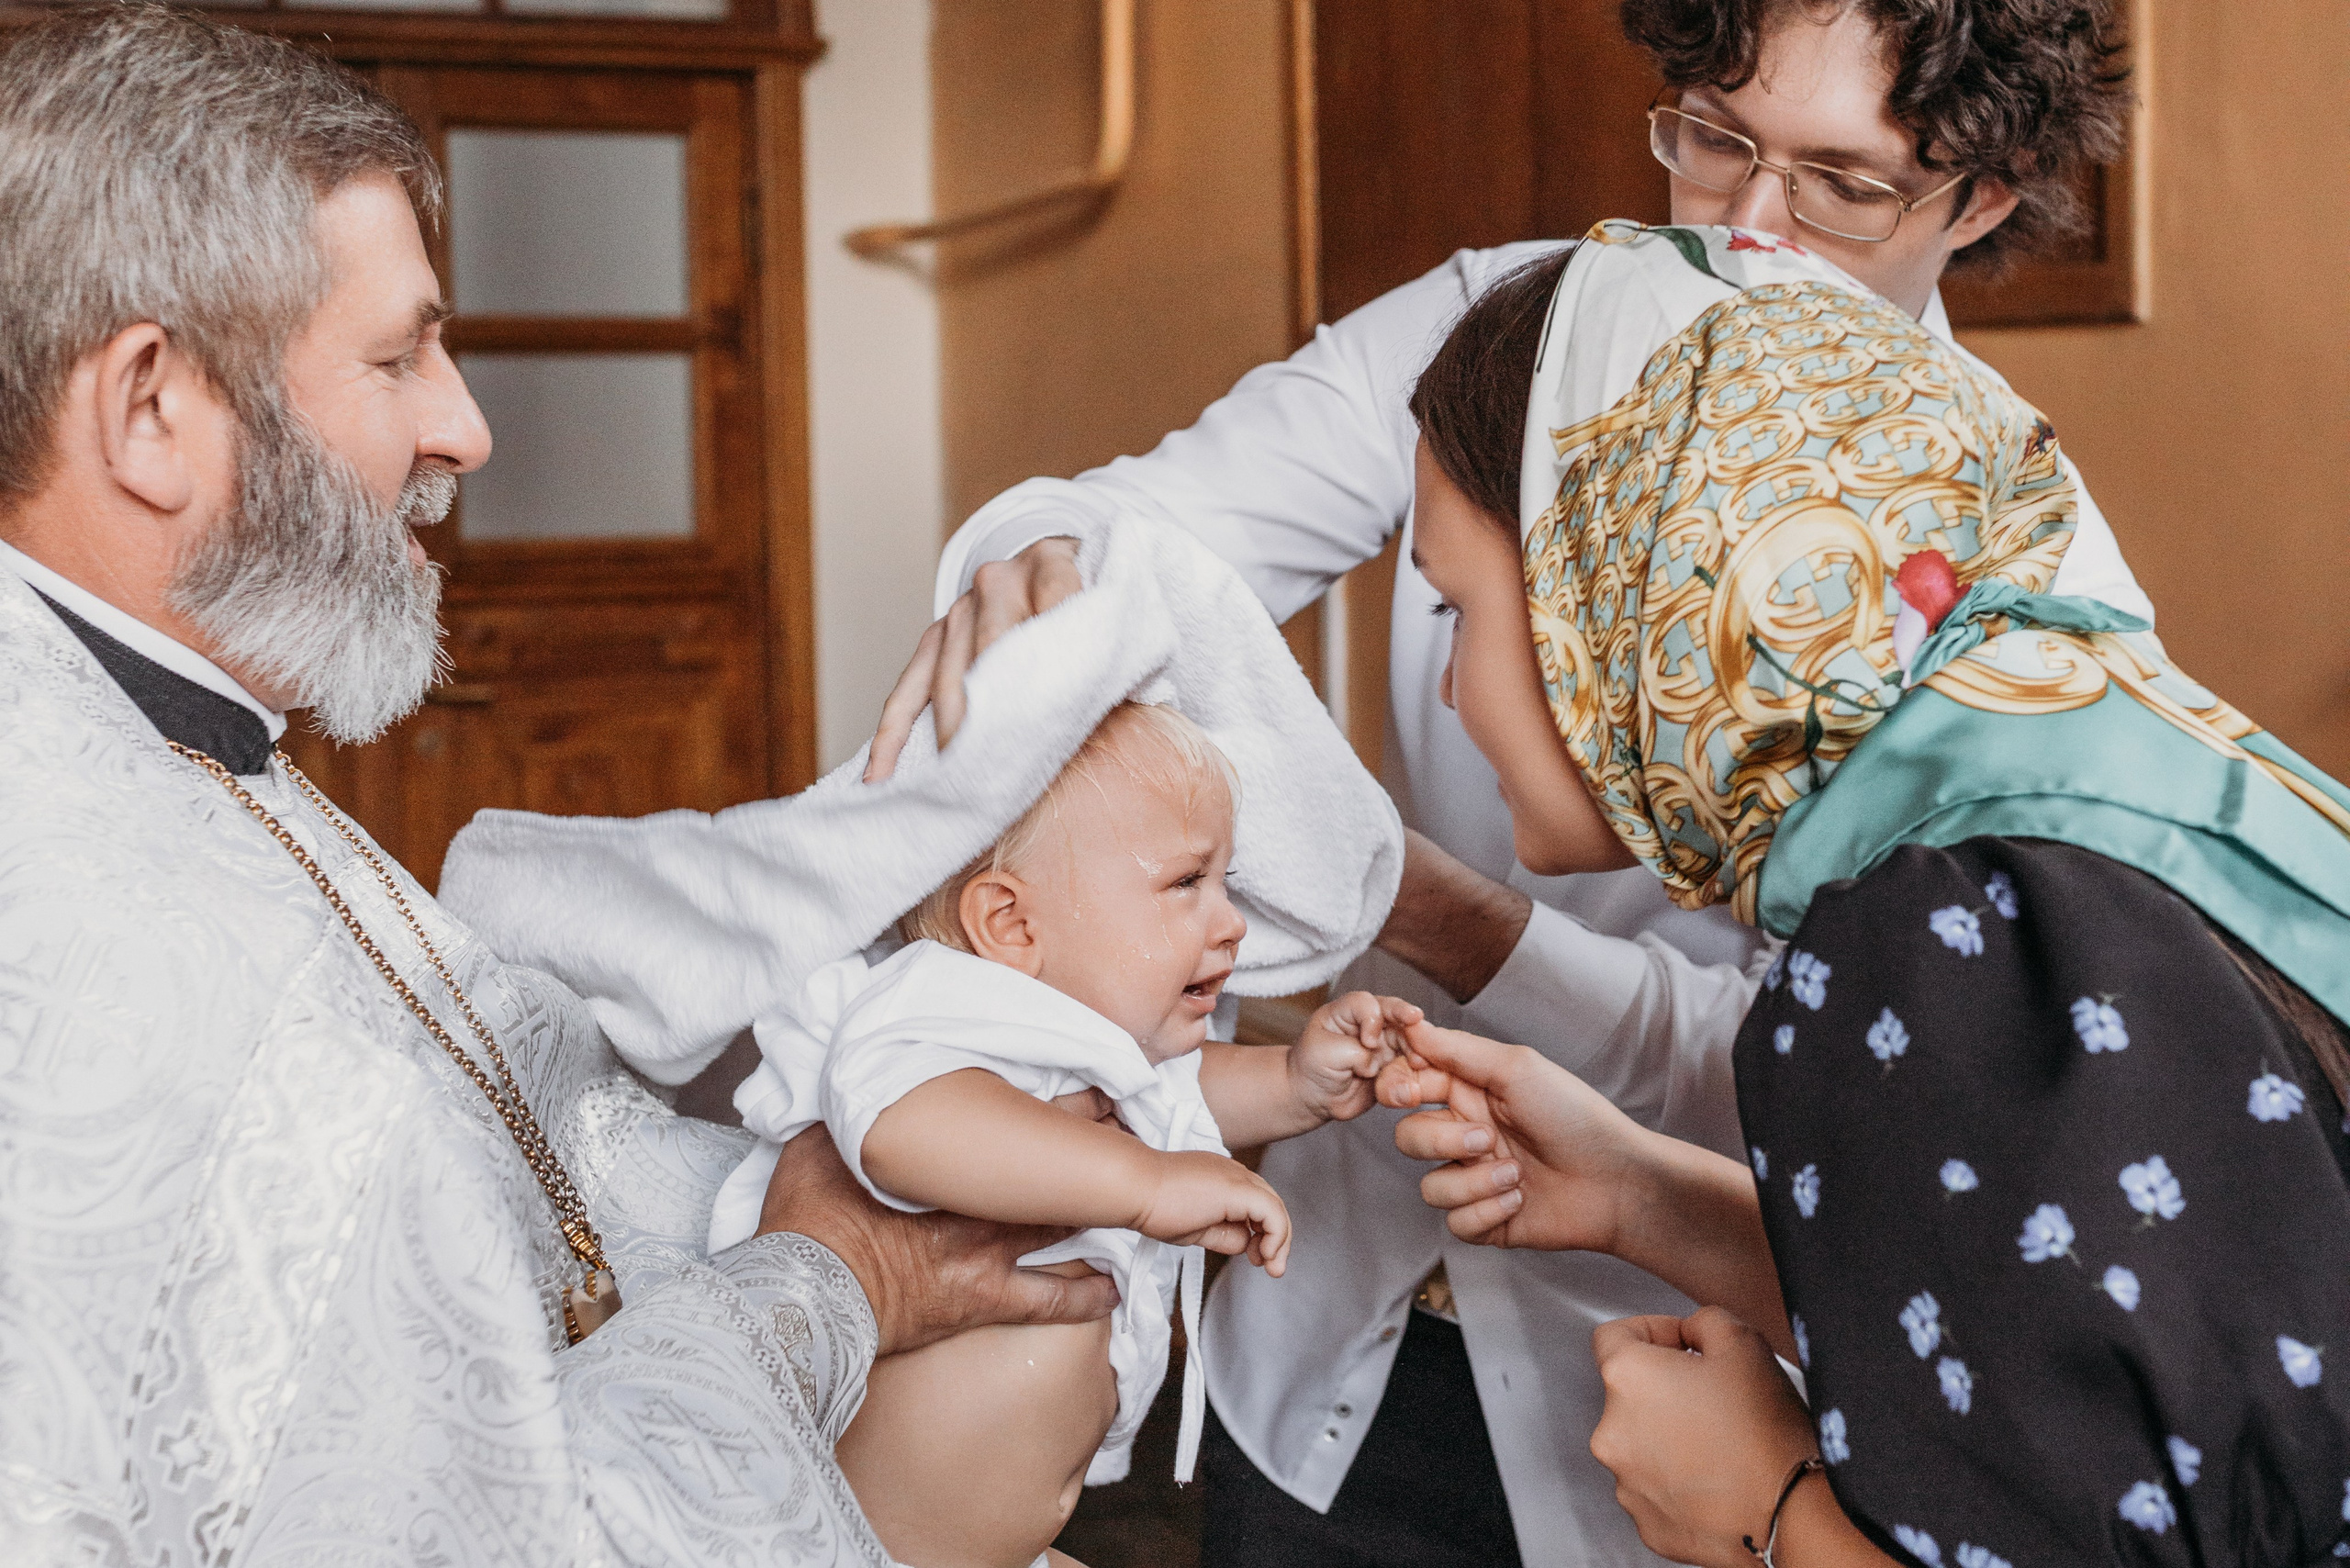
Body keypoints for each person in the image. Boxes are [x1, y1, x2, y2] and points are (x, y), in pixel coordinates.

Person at [869, 2, 2143, 1561]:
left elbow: (1854, 1070)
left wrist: (1459, 926)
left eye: (1839, 184)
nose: (1747, 233)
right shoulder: (1499, 327)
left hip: (1707, 1401)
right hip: (1335, 1347)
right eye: (1715, 136)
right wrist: (1038, 578)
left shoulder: (2023, 568)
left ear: (1984, 196)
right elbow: (1137, 530)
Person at [0, 8, 1116, 1562]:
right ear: (148, 413)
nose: (465, 425)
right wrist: (828, 1276)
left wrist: (863, 1154)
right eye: (397, 357)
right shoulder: (137, 958)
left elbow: (534, 1151)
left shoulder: (163, 730)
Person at [1378, 218, 2350, 1564]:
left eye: (1457, 611)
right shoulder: (2094, 794)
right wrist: (1642, 1196)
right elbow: (2075, 1366)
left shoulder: (1929, 939)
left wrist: (1761, 1505)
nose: (1447, 688)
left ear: (1620, 594)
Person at [703, 700, 1418, 1568]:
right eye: (1187, 883)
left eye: (1224, 883)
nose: (1230, 922)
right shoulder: (942, 1007)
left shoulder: (1090, 1048)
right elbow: (903, 1123)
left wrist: (1297, 1082)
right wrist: (1147, 1183)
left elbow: (1183, 1096)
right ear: (1011, 926)